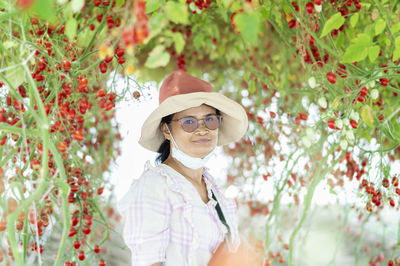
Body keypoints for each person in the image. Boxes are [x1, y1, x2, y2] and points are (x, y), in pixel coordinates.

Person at [118, 70, 259, 266]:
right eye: (188, 122)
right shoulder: (155, 186)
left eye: (210, 120)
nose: (202, 129)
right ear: (167, 130)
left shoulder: (215, 192)